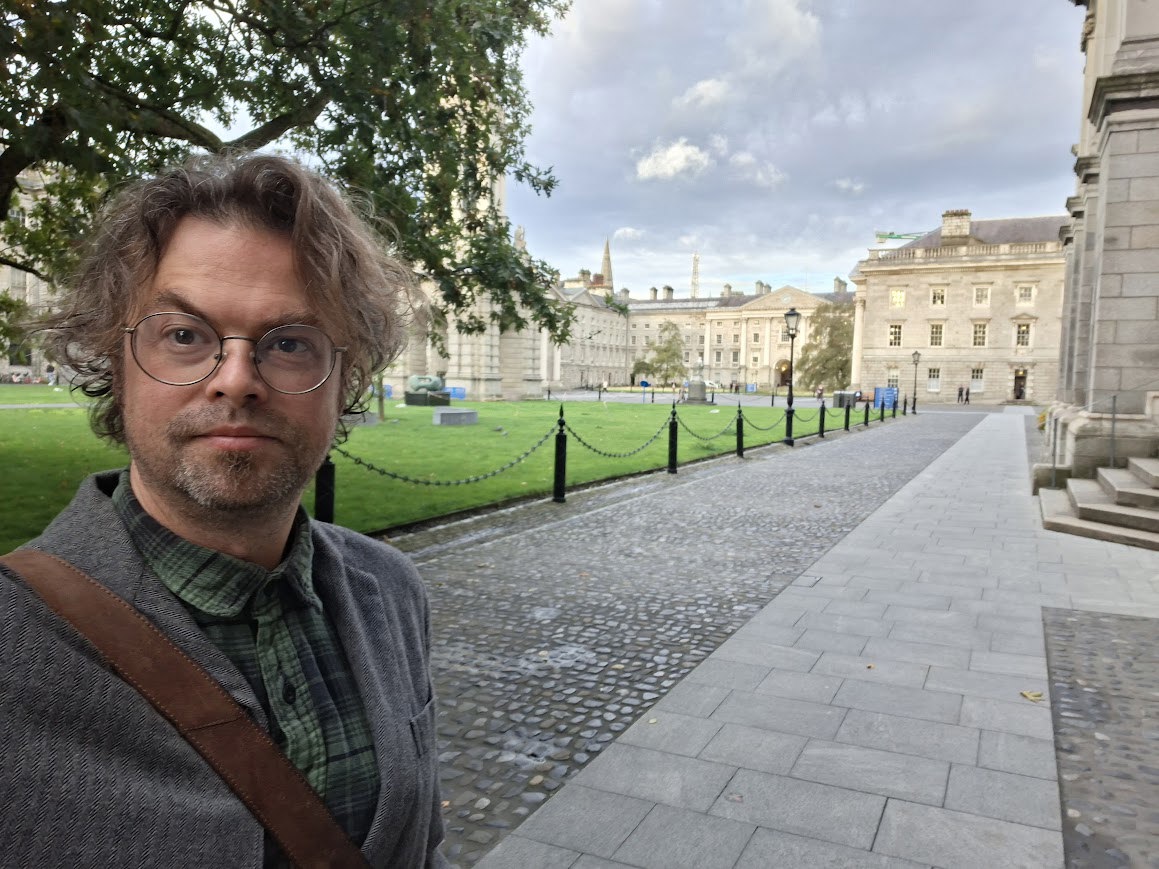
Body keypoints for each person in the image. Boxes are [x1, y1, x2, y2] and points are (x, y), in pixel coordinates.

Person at [0, 154, 446, 867]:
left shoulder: (391, 592)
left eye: (289, 344)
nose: (236, 380)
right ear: (114, 362)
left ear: (345, 380)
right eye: (185, 336)